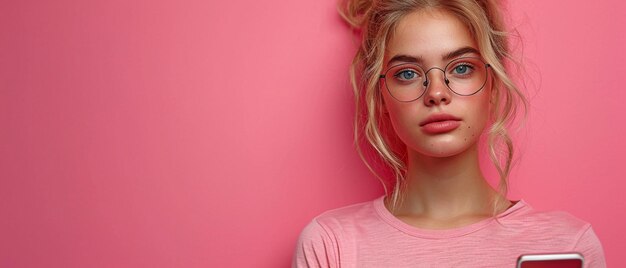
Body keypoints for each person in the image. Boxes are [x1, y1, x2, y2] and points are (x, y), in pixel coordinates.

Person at [292, 0, 606, 267]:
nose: (437, 93)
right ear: (381, 97)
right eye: (408, 73)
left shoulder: (567, 244)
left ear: (493, 86)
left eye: (461, 68)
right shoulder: (331, 245)